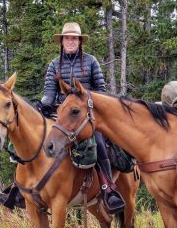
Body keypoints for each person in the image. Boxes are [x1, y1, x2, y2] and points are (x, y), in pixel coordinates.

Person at [41, 22, 125, 214]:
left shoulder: (91, 61)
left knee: (100, 142)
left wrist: (85, 100)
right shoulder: (54, 64)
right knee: (39, 135)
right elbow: (49, 91)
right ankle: (22, 187)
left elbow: (101, 90)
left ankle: (107, 187)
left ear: (79, 41)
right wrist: (44, 103)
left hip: (88, 112)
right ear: (61, 41)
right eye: (67, 38)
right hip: (62, 112)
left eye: (74, 38)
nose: (70, 41)